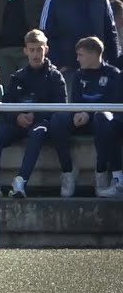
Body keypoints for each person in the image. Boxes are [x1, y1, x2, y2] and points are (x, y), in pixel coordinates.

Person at [0, 29, 67, 199]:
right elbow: (7, 104)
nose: (35, 54)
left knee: (37, 132)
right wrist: (17, 116)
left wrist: (37, 116)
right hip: (18, 123)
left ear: (46, 49)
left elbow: (61, 108)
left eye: (39, 49)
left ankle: (21, 181)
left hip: (42, 124)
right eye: (32, 50)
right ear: (25, 50)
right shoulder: (18, 77)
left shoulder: (55, 77)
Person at [47, 37, 122, 198]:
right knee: (57, 119)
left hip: (101, 122)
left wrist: (88, 114)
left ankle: (101, 172)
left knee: (103, 117)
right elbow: (75, 102)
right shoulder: (79, 75)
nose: (77, 59)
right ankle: (68, 170)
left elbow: (113, 105)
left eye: (81, 55)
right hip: (81, 119)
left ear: (94, 54)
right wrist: (77, 114)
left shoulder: (113, 74)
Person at [40, 0, 118, 76]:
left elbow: (111, 34)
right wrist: (58, 65)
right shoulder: (53, 0)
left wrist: (114, 66)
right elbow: (45, 36)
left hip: (99, 70)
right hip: (67, 71)